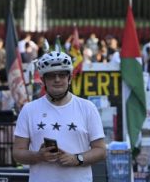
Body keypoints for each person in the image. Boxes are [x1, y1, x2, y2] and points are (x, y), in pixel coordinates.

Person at [12, 51, 107, 182]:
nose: (57, 80)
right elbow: (17, 152)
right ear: (43, 79)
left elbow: (101, 150)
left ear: (69, 78)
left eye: (62, 75)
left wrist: (76, 159)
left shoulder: (87, 108)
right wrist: (38, 156)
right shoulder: (29, 109)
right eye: (51, 76)